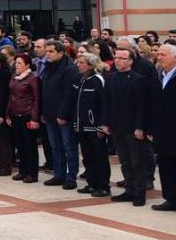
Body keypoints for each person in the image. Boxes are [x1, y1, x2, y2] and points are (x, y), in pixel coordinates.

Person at [105, 47, 157, 207]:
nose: (118, 60)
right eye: (116, 57)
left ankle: (139, 193)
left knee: (137, 161)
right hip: (116, 126)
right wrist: (105, 122)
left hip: (132, 127)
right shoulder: (110, 78)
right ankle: (129, 189)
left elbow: (142, 106)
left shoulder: (138, 79)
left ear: (130, 61)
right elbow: (106, 103)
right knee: (125, 161)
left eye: (122, 58)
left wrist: (140, 127)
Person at [40, 41, 79, 190]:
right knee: (55, 146)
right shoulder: (48, 68)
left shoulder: (69, 69)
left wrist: (62, 114)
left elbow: (68, 94)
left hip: (64, 115)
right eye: (47, 51)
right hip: (49, 114)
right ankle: (59, 174)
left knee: (69, 146)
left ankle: (71, 176)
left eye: (51, 51)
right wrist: (44, 112)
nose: (48, 54)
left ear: (61, 53)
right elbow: (45, 92)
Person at [72, 52, 111, 197]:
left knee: (99, 156)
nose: (78, 65)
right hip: (82, 125)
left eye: (82, 62)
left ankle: (103, 186)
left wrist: (102, 125)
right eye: (78, 62)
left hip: (95, 126)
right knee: (87, 156)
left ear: (91, 65)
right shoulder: (82, 79)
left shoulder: (98, 80)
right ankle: (91, 183)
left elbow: (104, 104)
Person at [8, 53, 42, 183]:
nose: (17, 65)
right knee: (20, 144)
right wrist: (8, 113)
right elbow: (10, 96)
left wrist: (34, 118)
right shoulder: (15, 77)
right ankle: (22, 170)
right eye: (16, 63)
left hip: (27, 115)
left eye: (20, 63)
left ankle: (32, 173)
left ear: (27, 65)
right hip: (15, 114)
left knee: (30, 145)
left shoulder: (33, 79)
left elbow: (36, 99)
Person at [153, 43, 176, 212]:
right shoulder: (159, 75)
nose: (159, 57)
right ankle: (170, 199)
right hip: (162, 130)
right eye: (158, 54)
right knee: (165, 164)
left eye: (163, 54)